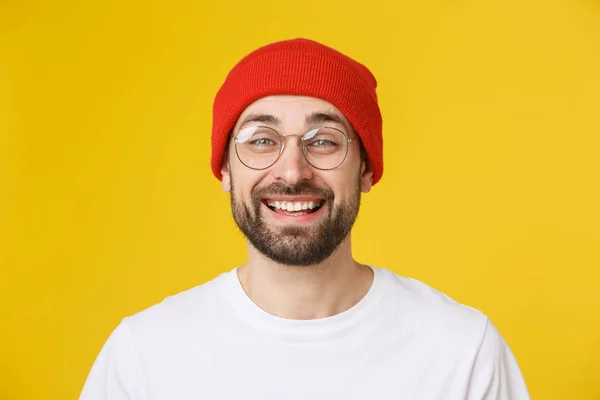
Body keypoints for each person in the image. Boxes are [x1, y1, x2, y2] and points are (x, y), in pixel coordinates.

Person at [80, 38, 530, 400]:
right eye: (261, 140)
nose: (292, 171)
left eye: (324, 141)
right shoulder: (145, 354)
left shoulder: (463, 350)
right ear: (224, 169)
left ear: (367, 169)